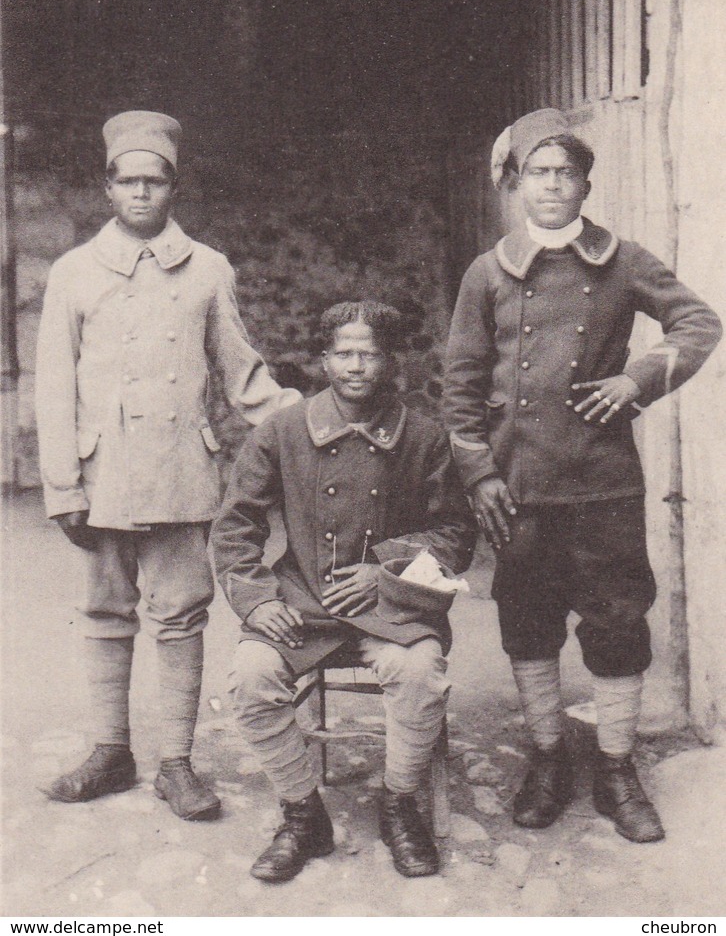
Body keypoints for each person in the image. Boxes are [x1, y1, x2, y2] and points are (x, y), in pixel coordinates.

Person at [444, 108, 722, 844]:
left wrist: (638, 379)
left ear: (586, 183)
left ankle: (616, 766)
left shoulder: (622, 260)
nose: (553, 185)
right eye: (539, 172)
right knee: (528, 621)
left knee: (617, 621)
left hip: (603, 483)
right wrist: (479, 475)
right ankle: (545, 757)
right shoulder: (488, 273)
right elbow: (461, 387)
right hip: (520, 486)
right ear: (515, 184)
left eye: (566, 172)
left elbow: (698, 322)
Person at [35, 110, 300, 820]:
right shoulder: (73, 273)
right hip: (102, 479)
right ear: (108, 187)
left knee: (181, 615)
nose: (142, 194)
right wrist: (62, 484)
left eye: (156, 182)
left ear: (174, 188)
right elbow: (54, 381)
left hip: (184, 473)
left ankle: (176, 762)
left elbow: (244, 377)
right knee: (105, 611)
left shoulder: (208, 270)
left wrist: (310, 423)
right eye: (130, 181)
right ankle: (110, 749)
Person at [211, 301, 476, 882]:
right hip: (303, 601)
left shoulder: (424, 437)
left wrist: (386, 571)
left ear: (390, 362)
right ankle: (303, 813)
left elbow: (456, 533)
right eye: (345, 353)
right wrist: (259, 600)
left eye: (371, 354)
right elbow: (235, 528)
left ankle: (400, 803)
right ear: (324, 360)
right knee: (251, 677)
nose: (357, 366)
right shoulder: (281, 431)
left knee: (419, 673)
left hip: (394, 605)